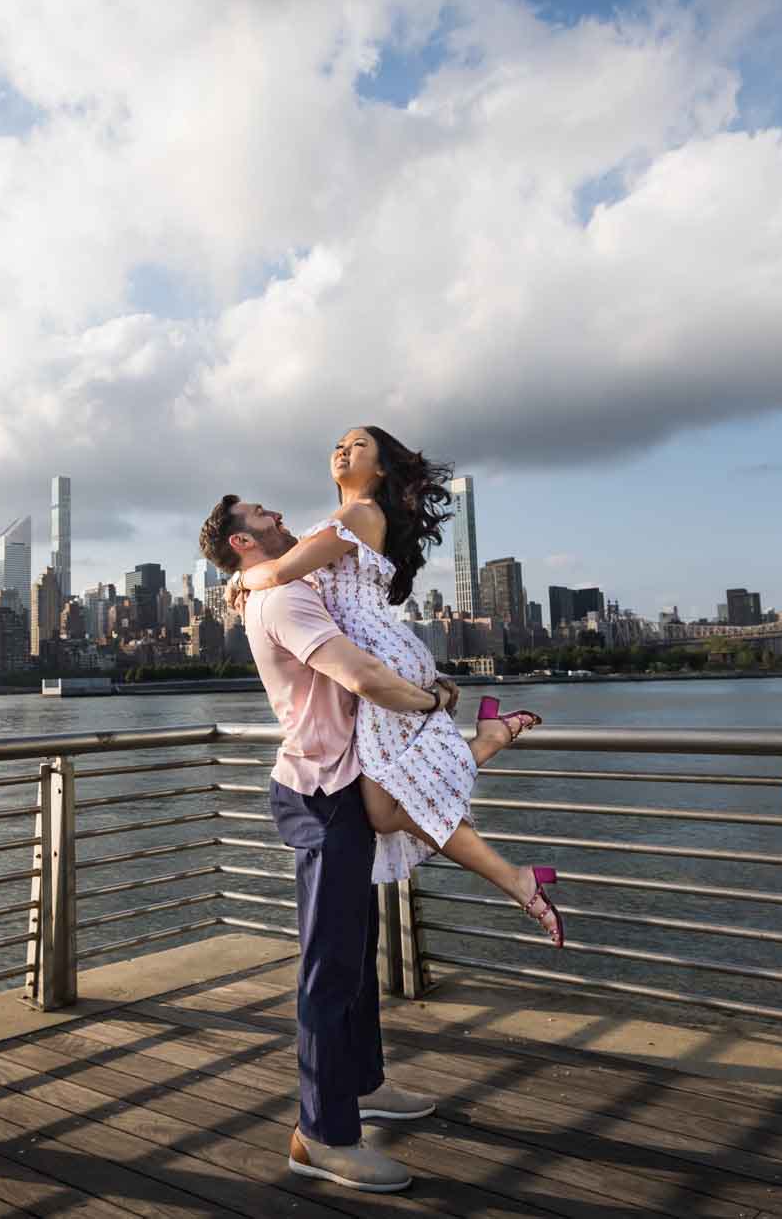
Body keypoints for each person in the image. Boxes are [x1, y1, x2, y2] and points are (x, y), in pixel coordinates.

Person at [199, 482, 553, 1193]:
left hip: (342, 786)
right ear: (242, 540)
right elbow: (357, 673)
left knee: (353, 954)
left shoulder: (282, 580)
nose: (276, 512)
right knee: (329, 971)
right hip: (323, 793)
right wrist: (433, 697)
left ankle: (358, 1082)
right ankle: (321, 1134)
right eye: (260, 515)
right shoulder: (283, 597)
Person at [229, 427, 564, 936]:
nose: (343, 449)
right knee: (385, 812)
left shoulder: (358, 514)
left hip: (376, 658)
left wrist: (235, 580)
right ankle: (509, 844)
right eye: (338, 443)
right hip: (381, 650)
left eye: (359, 445)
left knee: (393, 803)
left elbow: (278, 573)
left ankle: (510, 849)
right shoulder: (349, 520)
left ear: (381, 468)